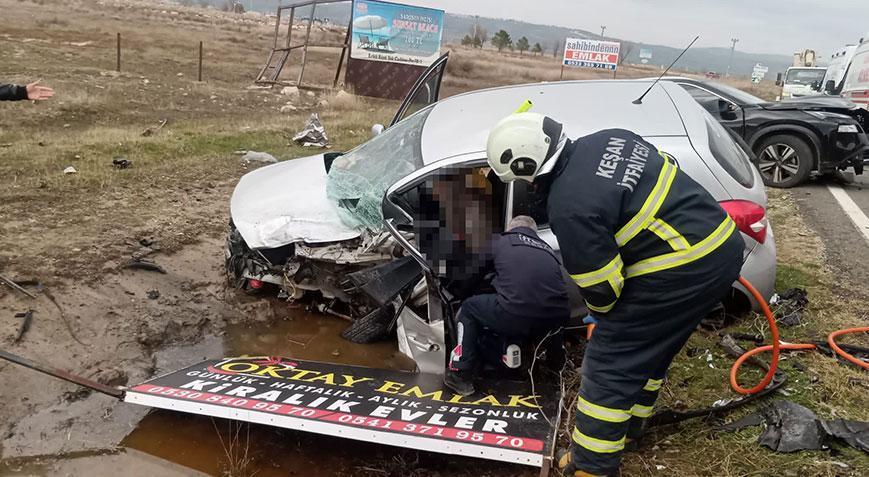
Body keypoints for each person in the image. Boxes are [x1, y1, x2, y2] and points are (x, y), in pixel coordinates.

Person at [485, 113, 744, 477]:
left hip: (681, 267)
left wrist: (600, 316)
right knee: (652, 348)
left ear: (528, 164)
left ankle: (592, 465)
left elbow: (603, 288)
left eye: (523, 178)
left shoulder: (570, 207)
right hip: (719, 246)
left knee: (609, 362)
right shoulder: (610, 138)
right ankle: (632, 429)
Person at [444, 215, 570, 397]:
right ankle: (554, 370)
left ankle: (461, 374)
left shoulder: (501, 241)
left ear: (510, 229)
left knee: (470, 308)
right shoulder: (547, 248)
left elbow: (473, 274)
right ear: (535, 233)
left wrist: (460, 292)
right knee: (551, 315)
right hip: (557, 316)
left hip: (516, 311)